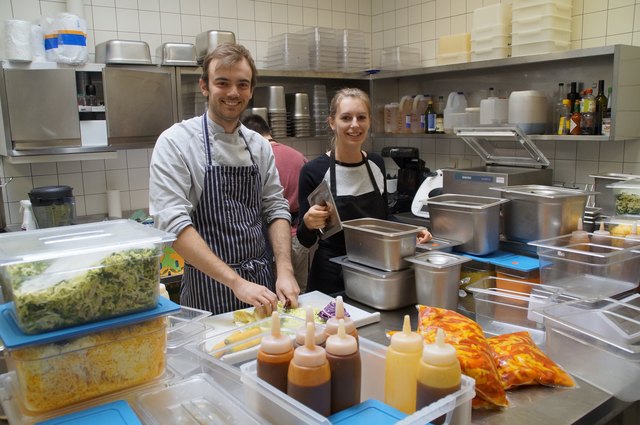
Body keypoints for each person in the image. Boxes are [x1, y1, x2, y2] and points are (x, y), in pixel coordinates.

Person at [149, 43, 299, 315]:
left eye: (242, 84)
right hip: (207, 294)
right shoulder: (176, 142)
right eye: (222, 82)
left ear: (251, 90)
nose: (233, 92)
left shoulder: (259, 146)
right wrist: (235, 282)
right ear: (204, 86)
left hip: (263, 288)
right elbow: (172, 223)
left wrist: (285, 270)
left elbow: (276, 208)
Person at [297, 88, 432, 295]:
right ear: (332, 122)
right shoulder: (314, 171)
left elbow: (383, 218)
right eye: (346, 118)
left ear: (369, 121)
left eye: (361, 117)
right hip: (331, 276)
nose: (354, 125)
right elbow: (305, 240)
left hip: (373, 271)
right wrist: (308, 222)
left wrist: (409, 232)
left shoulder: (376, 163)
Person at [242, 114, 310, 293]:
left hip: (270, 240)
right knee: (299, 293)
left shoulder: (256, 158)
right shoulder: (298, 156)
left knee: (272, 295)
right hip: (299, 237)